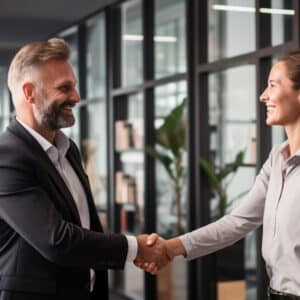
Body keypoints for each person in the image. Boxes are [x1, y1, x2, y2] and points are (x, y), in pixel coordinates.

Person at [0, 38, 170, 300]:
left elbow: (86, 225)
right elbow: (57, 240)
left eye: (75, 87)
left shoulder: (69, 149)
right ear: (29, 93)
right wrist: (135, 248)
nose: (76, 97)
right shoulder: (7, 157)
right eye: (64, 88)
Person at [141, 50, 300, 299]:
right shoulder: (276, 159)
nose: (263, 95)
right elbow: (237, 222)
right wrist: (171, 248)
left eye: (272, 85)